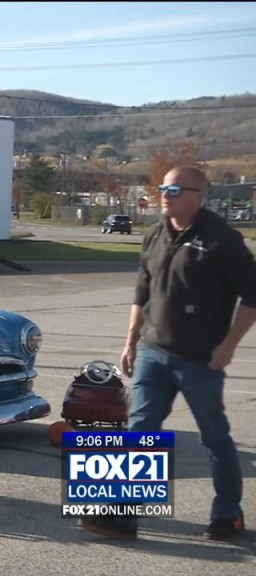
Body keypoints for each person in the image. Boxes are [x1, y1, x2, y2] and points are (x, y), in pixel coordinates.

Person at [80, 166, 256, 542]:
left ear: (198, 196)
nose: (165, 193)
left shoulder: (222, 239)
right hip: (152, 354)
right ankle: (121, 516)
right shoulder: (155, 234)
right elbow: (141, 294)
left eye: (174, 189)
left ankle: (228, 514)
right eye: (162, 187)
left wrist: (229, 345)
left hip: (201, 360)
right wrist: (130, 342)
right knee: (138, 432)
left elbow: (253, 296)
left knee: (215, 437)